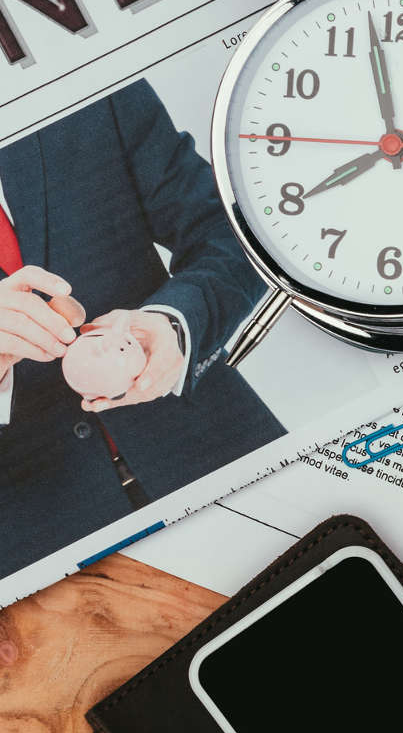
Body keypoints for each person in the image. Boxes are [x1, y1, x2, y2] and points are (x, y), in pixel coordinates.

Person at [0, 79, 283, 576]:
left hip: (222, 454)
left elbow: (231, 229)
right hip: (35, 548)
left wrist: (174, 325)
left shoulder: (83, 77)